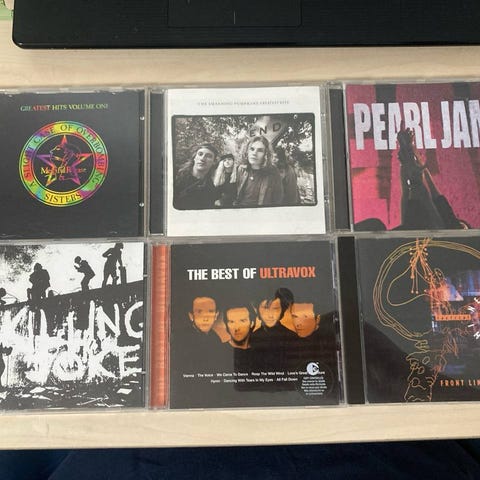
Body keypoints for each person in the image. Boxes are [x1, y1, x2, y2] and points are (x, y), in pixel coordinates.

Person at [250, 288, 297, 373]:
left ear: (282, 310)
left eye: (275, 309)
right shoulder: (251, 339)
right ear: (256, 309)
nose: (270, 315)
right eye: (265, 308)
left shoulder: (293, 338)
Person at [178, 296, 225, 373]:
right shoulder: (181, 340)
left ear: (216, 315)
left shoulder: (215, 338)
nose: (205, 318)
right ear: (191, 316)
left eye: (210, 311)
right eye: (199, 312)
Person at [235, 136, 283, 207]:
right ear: (247, 151)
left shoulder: (273, 173)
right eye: (252, 149)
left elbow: (277, 200)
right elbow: (236, 196)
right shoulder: (242, 169)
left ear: (266, 154)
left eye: (260, 150)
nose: (254, 153)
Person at [173, 143, 219, 210]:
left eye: (208, 156)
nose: (202, 159)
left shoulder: (210, 189)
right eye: (200, 154)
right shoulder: (176, 176)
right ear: (194, 157)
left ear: (214, 162)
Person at [223, 303, 256, 374]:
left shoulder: (260, 353)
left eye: (242, 321)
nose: (237, 327)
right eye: (232, 322)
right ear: (226, 325)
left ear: (252, 323)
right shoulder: (218, 353)